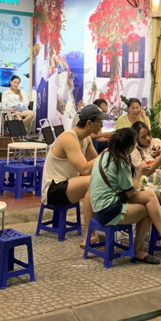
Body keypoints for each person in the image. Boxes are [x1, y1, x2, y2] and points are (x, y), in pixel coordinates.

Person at [89, 127, 161, 264]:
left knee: (150, 196)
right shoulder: (120, 162)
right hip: (108, 211)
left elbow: (125, 189)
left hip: (101, 205)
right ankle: (139, 249)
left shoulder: (106, 154)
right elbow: (130, 191)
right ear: (130, 147)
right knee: (150, 210)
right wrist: (140, 173)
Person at [41, 103, 104, 245]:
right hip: (53, 189)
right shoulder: (69, 138)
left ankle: (99, 229)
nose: (102, 125)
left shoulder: (86, 139)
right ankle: (89, 234)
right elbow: (85, 169)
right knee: (91, 181)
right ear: (89, 123)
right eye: (99, 122)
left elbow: (96, 166)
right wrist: (105, 154)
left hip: (69, 185)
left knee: (100, 181)